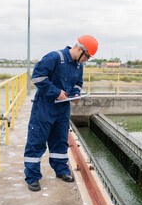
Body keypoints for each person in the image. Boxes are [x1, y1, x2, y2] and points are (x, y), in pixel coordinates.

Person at [24, 35, 98, 191]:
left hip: (63, 109)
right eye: (87, 56)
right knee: (37, 141)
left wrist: (77, 95)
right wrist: (55, 92)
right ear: (80, 49)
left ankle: (61, 170)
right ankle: (32, 177)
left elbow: (78, 83)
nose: (87, 60)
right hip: (45, 107)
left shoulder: (79, 66)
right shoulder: (55, 57)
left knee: (60, 140)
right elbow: (37, 77)